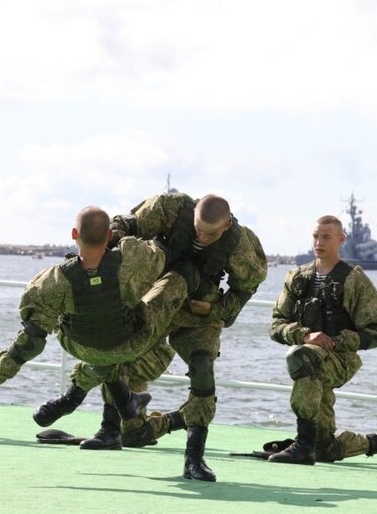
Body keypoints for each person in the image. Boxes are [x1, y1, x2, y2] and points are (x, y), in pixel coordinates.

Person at [34, 192, 267, 482]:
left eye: (210, 234)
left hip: (197, 313)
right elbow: (130, 224)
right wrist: (112, 241)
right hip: (155, 300)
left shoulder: (240, 243)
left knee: (203, 371)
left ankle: (194, 458)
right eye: (197, 229)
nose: (202, 237)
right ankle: (109, 428)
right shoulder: (172, 207)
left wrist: (217, 308)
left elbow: (247, 286)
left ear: (227, 225)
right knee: (120, 351)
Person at [0, 206, 200, 450]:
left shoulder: (54, 280)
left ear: (74, 234)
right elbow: (163, 251)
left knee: (99, 344)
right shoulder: (131, 258)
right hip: (129, 344)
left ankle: (87, 402)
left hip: (82, 348)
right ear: (109, 236)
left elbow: (32, 338)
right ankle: (119, 407)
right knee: (175, 282)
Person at [267, 215, 377, 466]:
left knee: (300, 356)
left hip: (340, 360)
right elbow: (276, 325)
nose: (319, 242)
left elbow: (374, 332)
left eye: (326, 237)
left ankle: (303, 446)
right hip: (309, 363)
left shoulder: (353, 280)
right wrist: (305, 335)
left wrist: (336, 341)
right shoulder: (297, 278)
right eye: (316, 236)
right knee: (325, 448)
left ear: (341, 239)